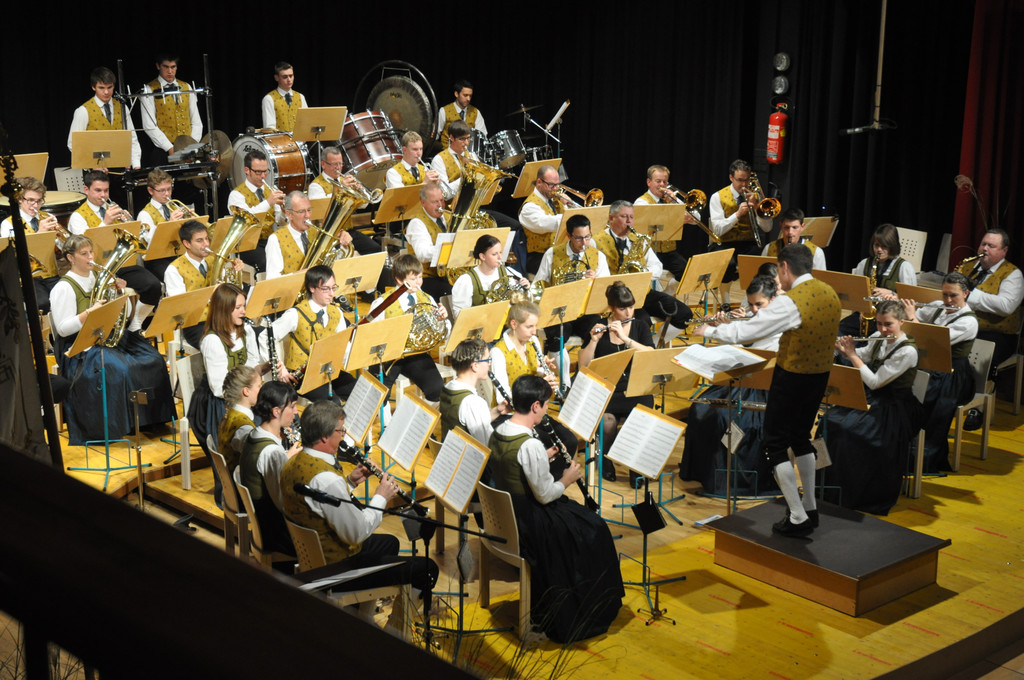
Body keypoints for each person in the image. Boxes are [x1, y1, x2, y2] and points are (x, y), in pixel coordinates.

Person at [694, 244, 840, 537]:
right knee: (801, 439)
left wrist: (710, 331)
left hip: (792, 377)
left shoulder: (792, 301)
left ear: (784, 267)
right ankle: (810, 507)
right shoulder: (830, 292)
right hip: (819, 376)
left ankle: (797, 515)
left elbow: (749, 331)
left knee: (775, 444)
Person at [488, 374, 623, 642]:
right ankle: (590, 607)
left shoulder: (498, 430)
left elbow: (516, 468)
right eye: (547, 404)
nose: (547, 409)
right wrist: (567, 478)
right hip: (530, 521)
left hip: (508, 514)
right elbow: (545, 495)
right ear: (535, 406)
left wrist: (544, 458)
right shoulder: (530, 444)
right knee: (594, 529)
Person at [280, 400, 439, 623]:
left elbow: (320, 504)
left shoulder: (292, 462)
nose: (343, 436)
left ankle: (363, 617)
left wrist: (350, 482)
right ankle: (394, 630)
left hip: (314, 556)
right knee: (427, 568)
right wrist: (381, 496)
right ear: (324, 437)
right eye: (340, 431)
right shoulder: (327, 480)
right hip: (336, 570)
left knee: (390, 543)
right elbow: (357, 533)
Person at [49, 235, 173, 446]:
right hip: (80, 345)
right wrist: (89, 313)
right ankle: (122, 424)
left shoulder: (99, 277)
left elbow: (121, 312)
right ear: (70, 258)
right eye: (84, 254)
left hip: (107, 336)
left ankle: (149, 421)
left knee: (154, 360)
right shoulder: (63, 287)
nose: (91, 257)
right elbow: (62, 329)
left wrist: (120, 292)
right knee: (120, 368)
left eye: (91, 252)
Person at [679, 275, 782, 496]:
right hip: (740, 380)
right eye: (751, 304)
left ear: (773, 301)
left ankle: (726, 480)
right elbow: (739, 344)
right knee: (699, 408)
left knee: (724, 417)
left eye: (759, 304)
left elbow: (754, 350)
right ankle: (701, 472)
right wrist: (725, 324)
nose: (754, 310)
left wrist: (720, 331)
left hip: (764, 389)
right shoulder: (753, 318)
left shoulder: (781, 323)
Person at [823, 300, 922, 515]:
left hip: (895, 406)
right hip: (873, 399)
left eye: (888, 324)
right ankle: (829, 487)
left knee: (850, 432)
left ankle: (852, 492)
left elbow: (875, 381)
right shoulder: (878, 337)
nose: (883, 329)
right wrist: (843, 349)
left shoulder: (907, 351)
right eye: (879, 323)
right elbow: (864, 356)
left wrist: (851, 355)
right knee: (828, 422)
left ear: (901, 322)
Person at [187, 283, 276, 505]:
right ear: (223, 310)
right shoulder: (212, 340)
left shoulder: (245, 331)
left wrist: (262, 370)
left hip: (244, 394)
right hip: (218, 403)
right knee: (249, 438)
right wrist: (250, 385)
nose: (244, 311)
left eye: (243, 306)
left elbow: (252, 363)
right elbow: (219, 387)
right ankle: (238, 495)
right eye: (238, 308)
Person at [578, 281, 655, 482]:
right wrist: (593, 341)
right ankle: (605, 458)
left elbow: (651, 353)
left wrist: (626, 339)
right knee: (608, 422)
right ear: (611, 308)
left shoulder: (640, 325)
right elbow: (584, 365)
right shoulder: (599, 326)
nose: (628, 312)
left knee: (638, 419)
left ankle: (634, 465)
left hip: (635, 388)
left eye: (631, 307)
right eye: (622, 308)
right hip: (608, 390)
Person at [67, 171, 163, 334]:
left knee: (153, 286)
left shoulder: (114, 209)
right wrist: (105, 223)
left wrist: (130, 224)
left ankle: (135, 325)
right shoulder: (77, 217)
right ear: (86, 190)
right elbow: (83, 247)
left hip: (121, 263)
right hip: (97, 269)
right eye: (98, 190)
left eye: (106, 190)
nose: (103, 195)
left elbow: (134, 237)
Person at [903, 272, 978, 472]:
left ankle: (923, 457)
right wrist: (899, 307)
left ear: (966, 294)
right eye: (945, 294)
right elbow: (911, 322)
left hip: (953, 375)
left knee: (924, 403)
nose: (948, 300)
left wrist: (911, 316)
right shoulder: (938, 307)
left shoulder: (968, 322)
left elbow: (927, 340)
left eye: (953, 295)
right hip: (932, 367)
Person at [595, 200, 693, 346]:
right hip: (617, 299)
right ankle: (635, 352)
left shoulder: (639, 239)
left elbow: (657, 265)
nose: (629, 221)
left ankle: (653, 347)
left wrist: (643, 272)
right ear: (611, 218)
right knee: (642, 321)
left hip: (642, 293)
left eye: (631, 217)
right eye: (624, 217)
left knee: (684, 314)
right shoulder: (596, 241)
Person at [489, 302, 575, 453]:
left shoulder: (533, 342)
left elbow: (533, 372)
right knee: (545, 447)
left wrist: (543, 371)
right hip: (512, 415)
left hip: (534, 411)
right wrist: (541, 384)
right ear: (514, 324)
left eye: (535, 326)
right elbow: (503, 398)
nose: (534, 332)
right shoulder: (498, 352)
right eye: (529, 327)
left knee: (570, 441)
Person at [368, 254, 449, 406]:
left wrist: (441, 320)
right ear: (399, 280)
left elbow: (442, 333)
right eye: (413, 278)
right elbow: (372, 335)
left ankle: (415, 418)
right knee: (379, 395)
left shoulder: (427, 299)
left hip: (415, 354)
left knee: (436, 388)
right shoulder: (381, 302)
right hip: (389, 356)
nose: (418, 282)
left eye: (420, 277)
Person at [269, 265, 356, 402]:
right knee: (332, 404)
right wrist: (280, 368)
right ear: (312, 288)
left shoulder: (336, 313)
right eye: (326, 289)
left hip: (327, 370)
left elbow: (341, 345)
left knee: (361, 392)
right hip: (301, 377)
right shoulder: (295, 314)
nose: (332, 294)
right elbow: (266, 336)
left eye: (333, 288)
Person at [535, 214, 608, 373]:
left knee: (600, 330)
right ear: (568, 236)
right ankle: (565, 382)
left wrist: (596, 282)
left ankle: (582, 376)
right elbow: (538, 285)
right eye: (579, 238)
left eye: (587, 237)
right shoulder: (552, 253)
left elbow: (606, 292)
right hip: (559, 311)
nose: (584, 243)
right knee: (557, 335)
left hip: (585, 312)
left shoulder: (598, 256)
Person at [239, 380, 301, 556]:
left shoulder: (254, 434)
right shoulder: (272, 452)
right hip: (275, 533)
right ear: (276, 412)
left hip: (265, 523)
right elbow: (283, 502)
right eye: (292, 406)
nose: (296, 412)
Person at [164, 219, 242, 347]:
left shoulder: (215, 261)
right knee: (220, 345)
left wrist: (235, 273)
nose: (206, 244)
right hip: (196, 324)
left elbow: (232, 292)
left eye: (206, 239)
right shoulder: (174, 269)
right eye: (199, 241)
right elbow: (180, 307)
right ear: (187, 244)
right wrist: (209, 294)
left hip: (223, 317)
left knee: (252, 334)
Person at [839, 223, 918, 338]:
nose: (879, 250)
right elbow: (856, 295)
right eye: (876, 245)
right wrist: (861, 310)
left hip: (890, 321)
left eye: (884, 246)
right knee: (838, 330)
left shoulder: (904, 267)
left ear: (892, 246)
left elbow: (910, 302)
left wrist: (892, 293)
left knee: (871, 340)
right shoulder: (864, 264)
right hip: (865, 316)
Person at [960, 228, 1023, 366]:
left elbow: (1006, 306)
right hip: (965, 327)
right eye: (983, 244)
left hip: (997, 335)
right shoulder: (967, 266)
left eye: (991, 246)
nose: (985, 249)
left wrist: (970, 296)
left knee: (967, 362)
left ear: (1004, 251)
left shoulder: (1013, 274)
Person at [306, 146, 381, 257]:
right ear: (323, 164)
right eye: (334, 164)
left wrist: (360, 192)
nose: (338, 168)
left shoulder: (344, 180)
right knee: (339, 256)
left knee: (375, 248)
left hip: (348, 230)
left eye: (340, 164)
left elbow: (363, 206)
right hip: (329, 233)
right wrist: (341, 189)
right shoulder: (316, 186)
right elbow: (321, 211)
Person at [708, 159, 774, 284]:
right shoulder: (717, 197)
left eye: (746, 180)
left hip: (748, 244)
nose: (744, 185)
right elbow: (717, 230)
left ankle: (754, 293)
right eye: (740, 180)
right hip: (723, 243)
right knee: (728, 263)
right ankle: (725, 296)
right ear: (731, 178)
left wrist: (757, 208)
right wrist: (737, 215)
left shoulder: (756, 197)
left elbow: (767, 228)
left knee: (763, 262)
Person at [1, 177, 61, 312]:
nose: (35, 205)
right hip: (28, 277)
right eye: (31, 200)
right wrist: (40, 234)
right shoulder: (8, 224)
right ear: (20, 199)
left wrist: (59, 239)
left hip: (51, 274)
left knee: (65, 298)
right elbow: (13, 255)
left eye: (39, 201)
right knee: (43, 303)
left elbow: (61, 248)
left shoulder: (49, 217)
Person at [67, 67, 141, 169]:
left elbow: (132, 138)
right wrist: (91, 165)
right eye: (101, 88)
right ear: (93, 87)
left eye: (109, 87)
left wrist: (136, 164)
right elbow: (73, 144)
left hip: (121, 167)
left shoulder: (123, 107)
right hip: (95, 171)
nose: (106, 92)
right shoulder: (83, 111)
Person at [633, 165, 699, 280]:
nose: (662, 185)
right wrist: (676, 217)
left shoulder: (671, 200)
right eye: (658, 181)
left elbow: (697, 218)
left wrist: (675, 201)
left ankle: (669, 290)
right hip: (648, 251)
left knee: (687, 273)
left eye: (665, 182)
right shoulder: (641, 202)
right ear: (649, 182)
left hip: (669, 251)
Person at [227, 149, 286, 274]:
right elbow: (247, 219)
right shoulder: (236, 195)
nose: (263, 176)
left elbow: (280, 222)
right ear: (247, 170)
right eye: (258, 172)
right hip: (248, 244)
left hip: (270, 239)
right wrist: (268, 202)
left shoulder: (271, 190)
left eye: (265, 171)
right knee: (266, 262)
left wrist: (284, 211)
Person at [140, 53, 203, 166]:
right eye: (166, 67)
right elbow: (149, 126)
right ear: (158, 66)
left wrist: (192, 146)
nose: (170, 71)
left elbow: (196, 121)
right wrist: (169, 148)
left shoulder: (187, 87)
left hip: (188, 150)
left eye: (173, 67)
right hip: (163, 151)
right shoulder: (149, 90)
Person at [440, 338, 505, 444]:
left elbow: (473, 419)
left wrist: (497, 410)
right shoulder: (473, 403)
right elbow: (487, 444)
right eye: (487, 360)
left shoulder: (448, 387)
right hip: (467, 453)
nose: (489, 364)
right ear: (475, 366)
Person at [450, 234, 528, 317]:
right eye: (494, 254)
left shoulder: (508, 272)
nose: (500, 257)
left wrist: (525, 288)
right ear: (482, 256)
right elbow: (459, 315)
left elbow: (520, 301)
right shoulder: (466, 280)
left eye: (500, 252)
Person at [137, 168, 188, 281]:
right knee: (176, 277)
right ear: (150, 191)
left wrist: (190, 222)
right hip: (156, 260)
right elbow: (152, 241)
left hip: (178, 253)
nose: (167, 194)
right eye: (162, 190)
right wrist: (170, 224)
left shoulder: (174, 206)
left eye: (169, 189)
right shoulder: (144, 214)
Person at [404, 183, 453, 299]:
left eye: (442, 200)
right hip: (425, 278)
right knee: (456, 291)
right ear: (423, 203)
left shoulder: (449, 217)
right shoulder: (417, 223)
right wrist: (451, 247)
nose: (440, 205)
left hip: (448, 274)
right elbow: (423, 254)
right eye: (435, 202)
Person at [519, 164, 570, 274]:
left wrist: (567, 205)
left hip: (557, 253)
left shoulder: (554, 199)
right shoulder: (529, 207)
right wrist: (572, 214)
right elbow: (550, 223)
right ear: (539, 182)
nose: (555, 189)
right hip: (539, 259)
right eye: (551, 185)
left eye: (557, 185)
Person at [218, 365, 261, 474]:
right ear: (246, 391)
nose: (262, 390)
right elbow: (259, 461)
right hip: (242, 479)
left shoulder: (230, 414)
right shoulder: (243, 428)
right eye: (259, 386)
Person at [762, 208, 826, 270]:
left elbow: (820, 277)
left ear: (802, 227)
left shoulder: (817, 253)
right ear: (781, 226)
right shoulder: (768, 249)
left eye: (795, 227)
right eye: (786, 227)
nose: (790, 232)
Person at [437, 79, 486, 150]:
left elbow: (481, 136)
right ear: (456, 94)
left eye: (470, 96)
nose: (468, 99)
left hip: (468, 154)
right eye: (465, 95)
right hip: (448, 153)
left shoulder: (476, 112)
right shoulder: (444, 111)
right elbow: (435, 135)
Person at [430, 120, 472, 202]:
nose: (467, 143)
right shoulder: (439, 160)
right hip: (448, 208)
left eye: (468, 138)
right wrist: (465, 176)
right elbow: (444, 194)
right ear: (452, 138)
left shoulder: (472, 156)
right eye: (462, 139)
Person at [262, 61, 307, 133]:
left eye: (291, 76)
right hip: (279, 139)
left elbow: (306, 123)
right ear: (276, 78)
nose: (289, 80)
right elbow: (269, 128)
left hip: (299, 140)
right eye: (285, 77)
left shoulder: (301, 97)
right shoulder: (269, 99)